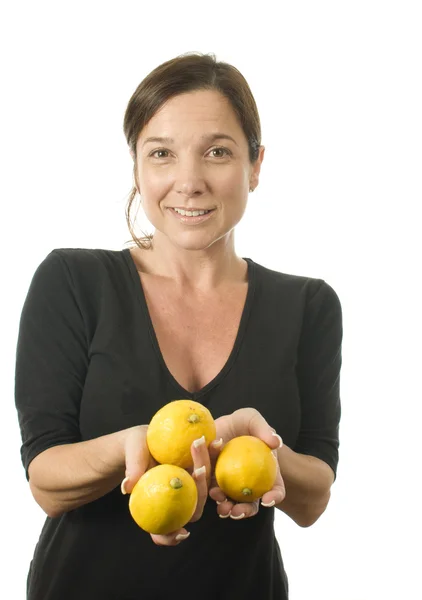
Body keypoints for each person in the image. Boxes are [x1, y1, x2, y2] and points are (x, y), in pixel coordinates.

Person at [14, 52, 343, 600]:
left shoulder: (308, 305)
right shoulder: (73, 281)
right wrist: (133, 446)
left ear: (255, 165)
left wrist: (257, 447)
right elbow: (45, 482)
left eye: (217, 152)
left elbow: (314, 499)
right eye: (161, 153)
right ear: (138, 168)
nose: (188, 182)